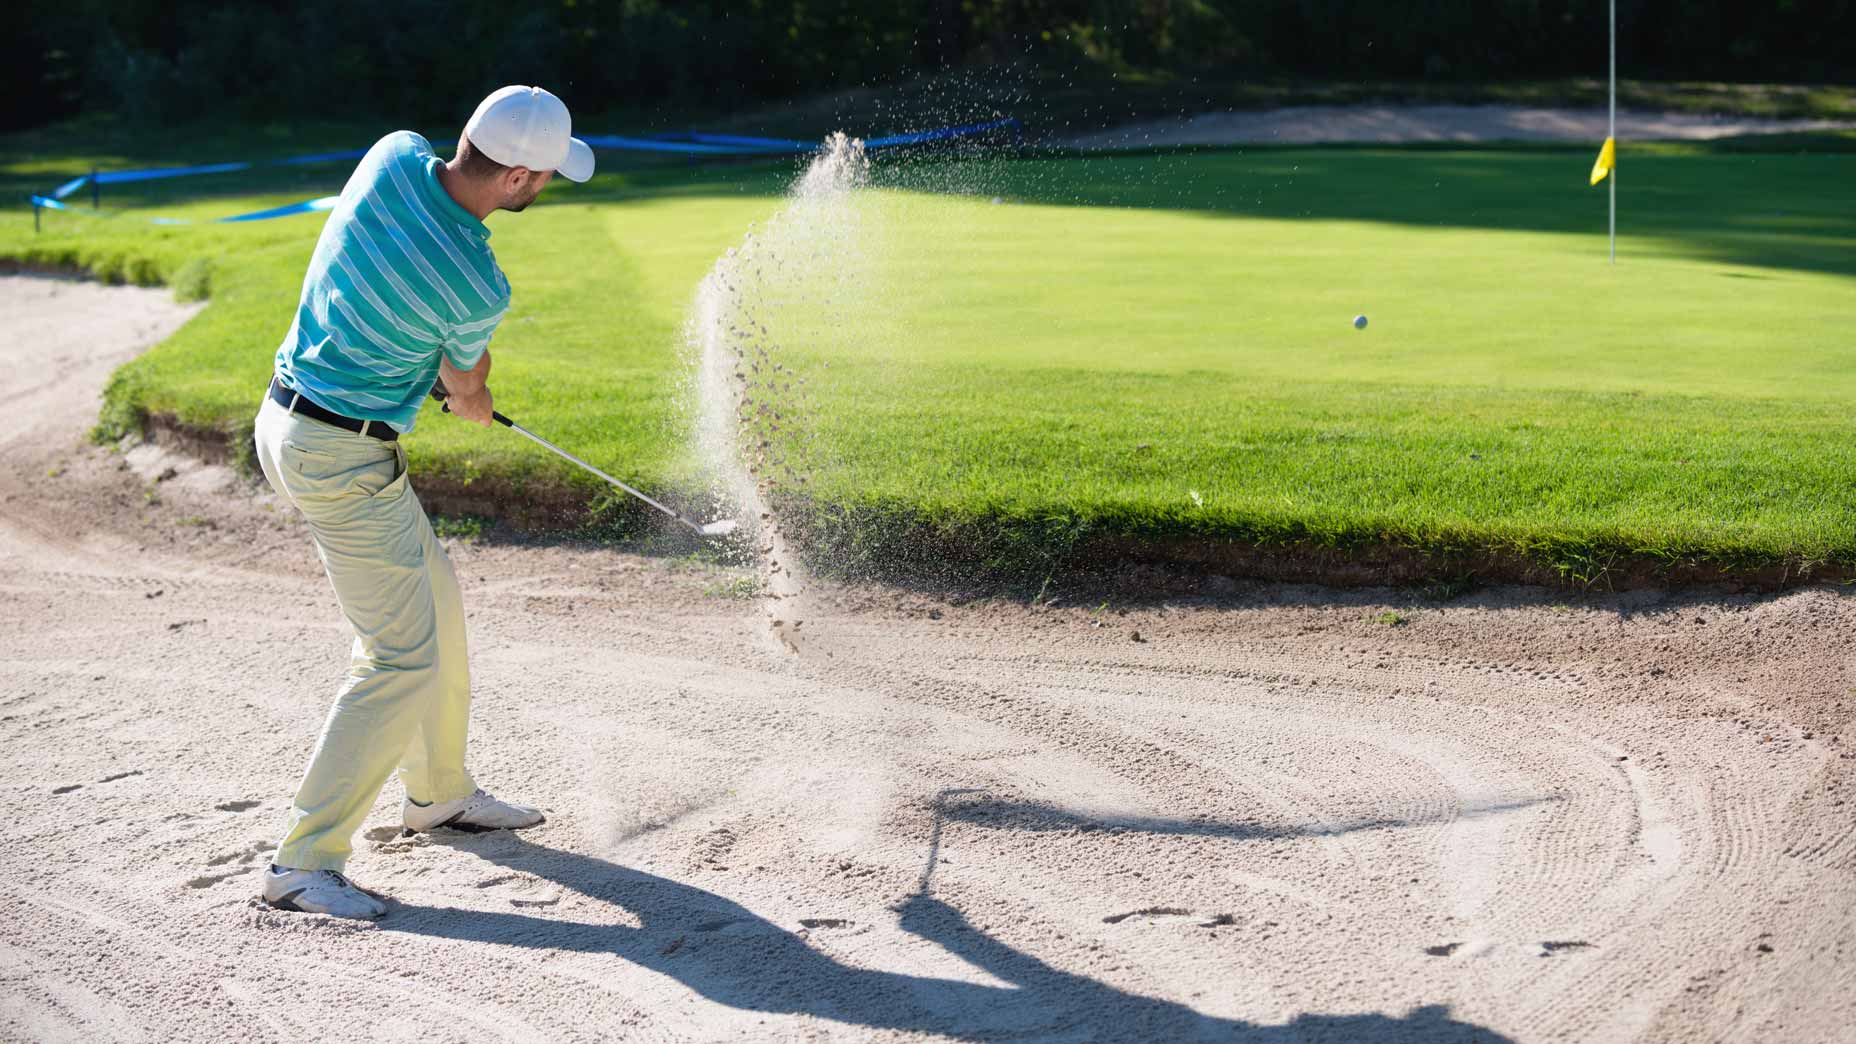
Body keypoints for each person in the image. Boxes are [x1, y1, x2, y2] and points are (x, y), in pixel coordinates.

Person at [251, 86, 595, 919]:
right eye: (545, 177)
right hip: (340, 454)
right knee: (399, 655)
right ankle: (301, 862)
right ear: (515, 177)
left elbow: (423, 337)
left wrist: (435, 372)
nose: (545, 189)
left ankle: (438, 793)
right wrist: (470, 396)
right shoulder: (477, 281)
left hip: (288, 420)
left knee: (435, 603)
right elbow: (466, 387)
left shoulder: (391, 153)